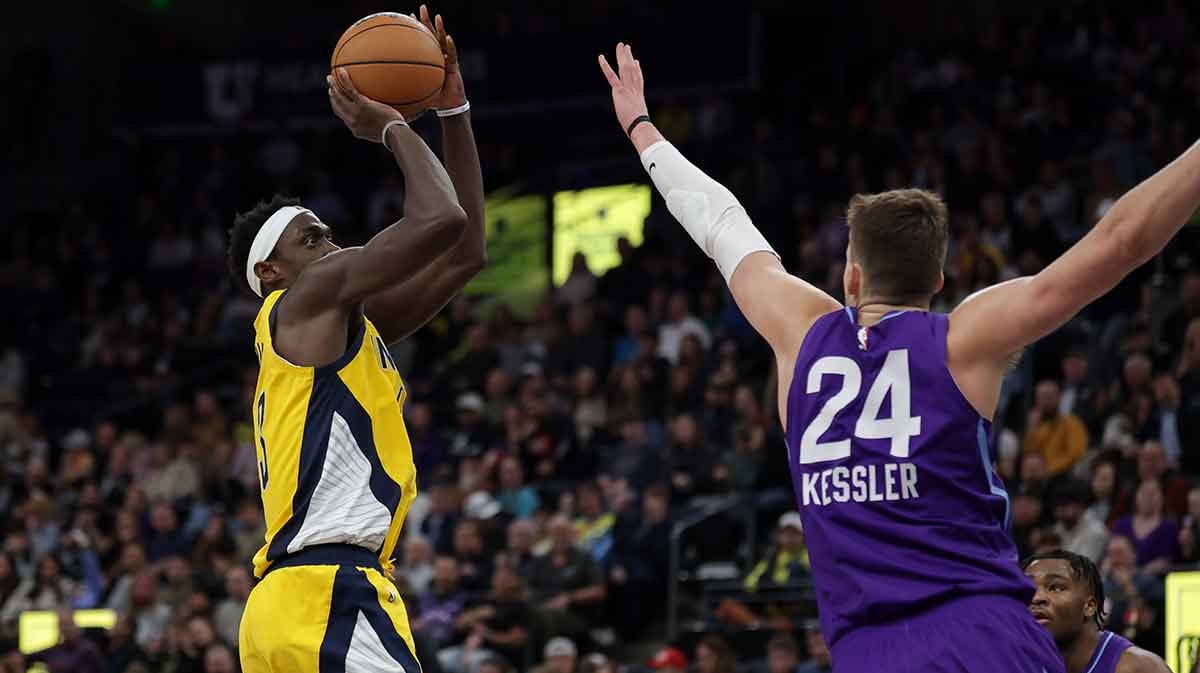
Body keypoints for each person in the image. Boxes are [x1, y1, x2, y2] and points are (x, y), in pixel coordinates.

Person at [599, 36, 1200, 672]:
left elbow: (721, 224)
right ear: (939, 281)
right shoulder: (961, 340)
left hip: (869, 650)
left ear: (850, 276)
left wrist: (642, 129)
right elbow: (1121, 241)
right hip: (987, 638)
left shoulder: (801, 334)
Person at [231, 8, 485, 672]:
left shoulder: (333, 331)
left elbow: (464, 254)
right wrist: (393, 125)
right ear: (271, 271)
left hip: (288, 604)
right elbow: (439, 217)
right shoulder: (306, 294)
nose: (333, 245)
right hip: (329, 592)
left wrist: (454, 112)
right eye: (311, 239)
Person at [1023, 550, 1170, 672]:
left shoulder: (1139, 667)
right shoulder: (1015, 664)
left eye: (1055, 587)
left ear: (1089, 606)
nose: (1036, 598)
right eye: (1028, 588)